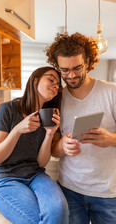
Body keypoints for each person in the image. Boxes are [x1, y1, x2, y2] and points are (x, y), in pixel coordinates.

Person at [45, 32, 116, 224]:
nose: (71, 75)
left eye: (77, 68)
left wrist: (111, 138)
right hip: (70, 190)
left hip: (109, 194)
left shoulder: (112, 92)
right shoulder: (56, 98)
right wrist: (62, 146)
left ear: (88, 62)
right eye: (64, 70)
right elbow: (53, 149)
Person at [0, 66, 69, 224]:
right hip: (6, 178)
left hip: (35, 175)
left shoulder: (48, 115)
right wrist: (17, 130)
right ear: (34, 80)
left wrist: (50, 133)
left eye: (58, 84)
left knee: (59, 211)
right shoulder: (8, 109)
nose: (55, 85)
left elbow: (40, 163)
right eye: (51, 79)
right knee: (38, 219)